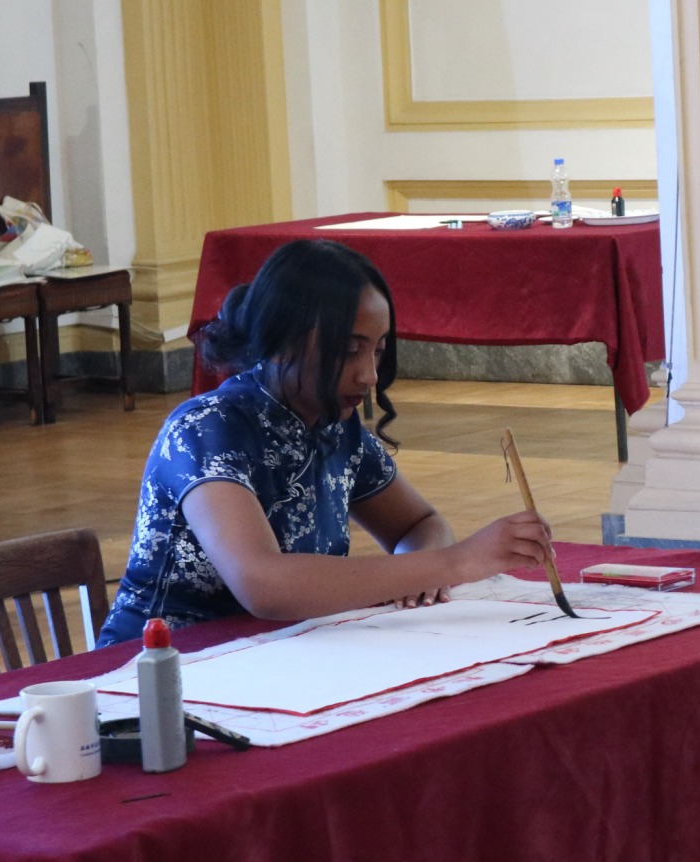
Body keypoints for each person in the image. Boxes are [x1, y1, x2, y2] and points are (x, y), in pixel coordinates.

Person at [97, 239, 553, 646]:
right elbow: (264, 585)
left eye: (377, 350)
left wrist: (421, 572)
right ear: (281, 341)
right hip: (160, 677)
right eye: (347, 350)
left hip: (284, 659)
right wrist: (453, 563)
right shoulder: (207, 428)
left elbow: (419, 523)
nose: (369, 375)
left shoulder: (337, 428)